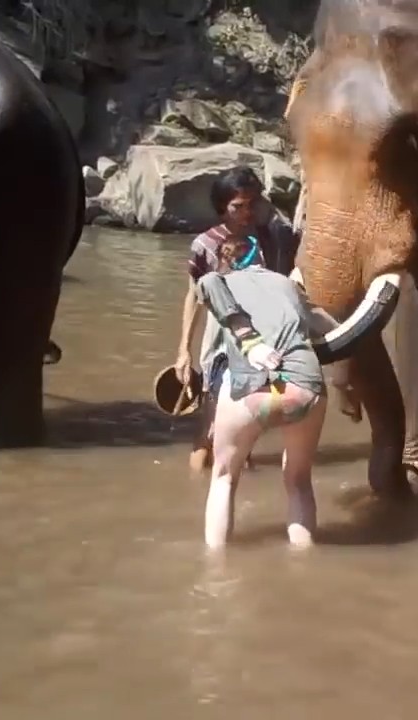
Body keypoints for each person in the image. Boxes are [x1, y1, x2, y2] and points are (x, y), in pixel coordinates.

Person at [193, 238, 341, 549]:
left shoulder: (220, 284)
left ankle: (215, 569)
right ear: (260, 255)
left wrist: (246, 340)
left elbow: (204, 289)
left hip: (249, 392)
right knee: (299, 481)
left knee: (223, 478)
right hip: (305, 387)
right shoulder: (288, 285)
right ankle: (303, 562)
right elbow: (331, 328)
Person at [175, 166, 300, 471]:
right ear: (222, 207)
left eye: (252, 204)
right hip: (220, 341)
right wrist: (183, 351)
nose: (246, 213)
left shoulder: (268, 239)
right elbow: (194, 297)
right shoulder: (206, 244)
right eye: (237, 206)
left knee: (246, 428)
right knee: (209, 428)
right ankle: (199, 485)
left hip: (258, 339)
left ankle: (234, 484)